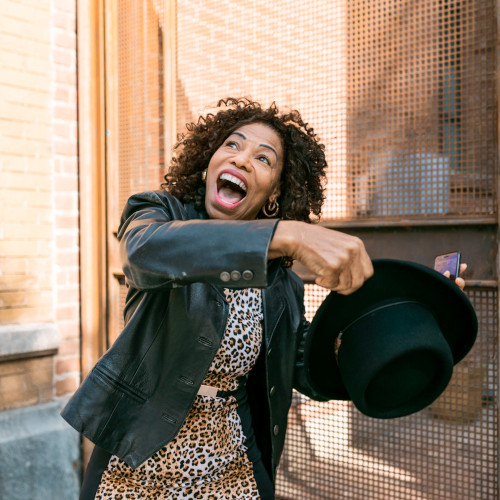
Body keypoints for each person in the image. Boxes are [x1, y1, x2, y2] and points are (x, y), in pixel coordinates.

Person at [61, 97, 464, 499]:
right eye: (232, 145)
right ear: (209, 165)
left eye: (263, 158)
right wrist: (287, 234)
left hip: (232, 469)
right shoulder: (159, 215)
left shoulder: (282, 285)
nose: (241, 159)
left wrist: (415, 316)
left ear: (273, 195)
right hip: (137, 463)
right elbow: (143, 254)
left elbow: (308, 368)